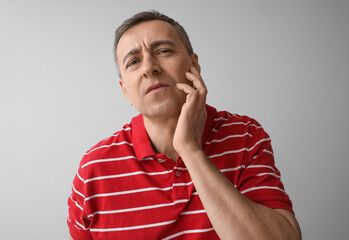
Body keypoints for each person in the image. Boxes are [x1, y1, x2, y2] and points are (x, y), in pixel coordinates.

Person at [67, 10, 301, 240]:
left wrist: (190, 149)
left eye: (164, 51)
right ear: (125, 91)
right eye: (134, 61)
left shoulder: (245, 136)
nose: (149, 68)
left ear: (195, 66)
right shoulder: (93, 170)